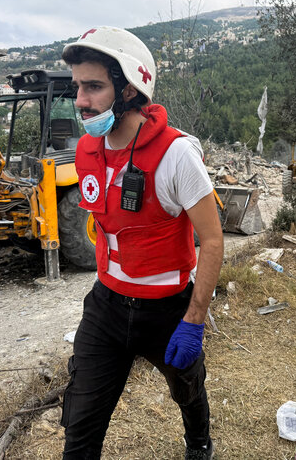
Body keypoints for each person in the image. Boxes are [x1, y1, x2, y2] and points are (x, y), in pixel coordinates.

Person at [60, 26, 223, 460]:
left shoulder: (176, 154)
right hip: (106, 307)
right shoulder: (86, 150)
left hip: (166, 308)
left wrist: (194, 320)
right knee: (79, 423)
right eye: (77, 86)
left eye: (93, 86)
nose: (80, 100)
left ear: (130, 88)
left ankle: (199, 442)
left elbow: (212, 239)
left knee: (188, 387)